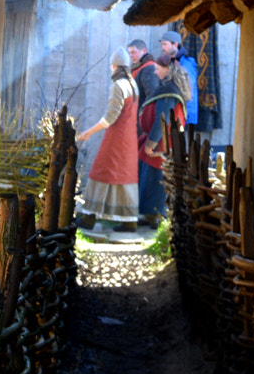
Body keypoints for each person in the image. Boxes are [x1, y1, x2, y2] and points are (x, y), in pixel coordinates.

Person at [76, 47, 140, 229]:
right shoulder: (133, 85)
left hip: (116, 139)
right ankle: (129, 221)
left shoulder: (118, 85)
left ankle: (88, 218)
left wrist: (88, 132)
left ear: (114, 66)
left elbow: (110, 117)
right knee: (125, 177)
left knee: (100, 171)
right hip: (129, 140)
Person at [136, 53, 187, 223]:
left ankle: (155, 215)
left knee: (155, 180)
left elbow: (161, 120)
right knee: (150, 179)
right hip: (160, 142)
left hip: (162, 144)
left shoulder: (169, 92)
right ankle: (150, 214)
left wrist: (150, 145)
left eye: (158, 69)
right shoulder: (168, 88)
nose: (156, 73)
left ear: (167, 69)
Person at [158, 29, 199, 130]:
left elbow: (189, 92)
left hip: (184, 117)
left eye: (165, 44)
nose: (163, 47)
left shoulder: (186, 65)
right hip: (174, 114)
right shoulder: (169, 62)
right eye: (162, 44)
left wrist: (185, 117)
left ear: (175, 44)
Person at [126, 37, 160, 103]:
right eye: (129, 53)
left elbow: (152, 97)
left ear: (144, 51)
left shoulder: (149, 69)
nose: (131, 56)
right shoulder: (137, 67)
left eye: (133, 52)